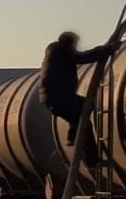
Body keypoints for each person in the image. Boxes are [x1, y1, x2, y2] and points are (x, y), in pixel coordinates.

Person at [39, 30, 118, 167]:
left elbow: (80, 56)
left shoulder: (57, 51)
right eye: (75, 43)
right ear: (69, 42)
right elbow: (83, 57)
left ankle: (72, 136)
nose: (76, 47)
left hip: (59, 96)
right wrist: (108, 49)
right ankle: (91, 160)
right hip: (59, 98)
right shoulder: (59, 51)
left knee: (85, 106)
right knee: (85, 124)